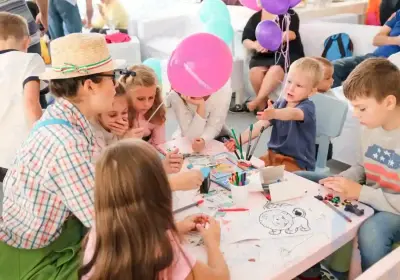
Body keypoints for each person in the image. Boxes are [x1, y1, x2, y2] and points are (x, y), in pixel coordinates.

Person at [0, 33, 122, 279]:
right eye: (113, 77)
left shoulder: (64, 118)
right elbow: (106, 222)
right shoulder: (66, 143)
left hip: (54, 236)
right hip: (35, 261)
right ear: (89, 85)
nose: (117, 86)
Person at [296, 58, 400, 271]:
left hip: (395, 209)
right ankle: (316, 270)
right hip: (371, 194)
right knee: (301, 180)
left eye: (361, 108)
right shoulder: (370, 126)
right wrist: (344, 180)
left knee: (373, 233)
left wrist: (360, 193)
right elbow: (363, 168)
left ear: (389, 102)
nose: (355, 114)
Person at [79, 139, 230, 280]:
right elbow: (219, 277)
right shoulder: (161, 250)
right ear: (161, 188)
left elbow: (132, 236)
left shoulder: (97, 233)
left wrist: (176, 228)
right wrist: (212, 242)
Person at [226, 57, 323, 172]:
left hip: (297, 162)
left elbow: (292, 114)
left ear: (311, 92)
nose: (291, 88)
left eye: (299, 86)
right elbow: (259, 126)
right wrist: (239, 141)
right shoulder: (280, 104)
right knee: (250, 172)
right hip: (272, 155)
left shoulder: (307, 108)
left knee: (275, 181)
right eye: (289, 81)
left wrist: (274, 113)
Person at [91, 82, 185, 174]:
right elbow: (109, 172)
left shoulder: (126, 125)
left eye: (124, 113)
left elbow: (134, 162)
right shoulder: (94, 135)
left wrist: (163, 164)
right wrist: (124, 143)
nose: (120, 119)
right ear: (98, 114)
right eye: (112, 115)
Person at [0, 12, 46, 182]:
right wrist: (45, 142)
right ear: (27, 41)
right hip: (20, 154)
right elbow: (31, 104)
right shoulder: (30, 59)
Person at [232, 6, 304, 113]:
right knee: (255, 72)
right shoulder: (256, 17)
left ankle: (256, 102)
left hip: (286, 53)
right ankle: (263, 106)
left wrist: (272, 40)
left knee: (275, 69)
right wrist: (255, 45)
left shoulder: (289, 14)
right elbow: (245, 39)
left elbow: (291, 34)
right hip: (264, 55)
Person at [332, 9, 400, 88]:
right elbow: (376, 40)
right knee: (333, 68)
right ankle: (331, 100)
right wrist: (396, 40)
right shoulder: (398, 14)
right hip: (373, 58)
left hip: (391, 65)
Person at [169, 81, 232, 153]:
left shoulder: (223, 88)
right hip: (187, 137)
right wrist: (201, 106)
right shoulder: (176, 94)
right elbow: (192, 138)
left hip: (216, 135)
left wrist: (204, 139)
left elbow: (214, 125)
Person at [119, 64, 166, 146]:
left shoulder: (157, 111)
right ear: (126, 94)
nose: (147, 104)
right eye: (140, 99)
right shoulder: (118, 114)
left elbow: (159, 144)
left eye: (151, 97)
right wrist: (125, 140)